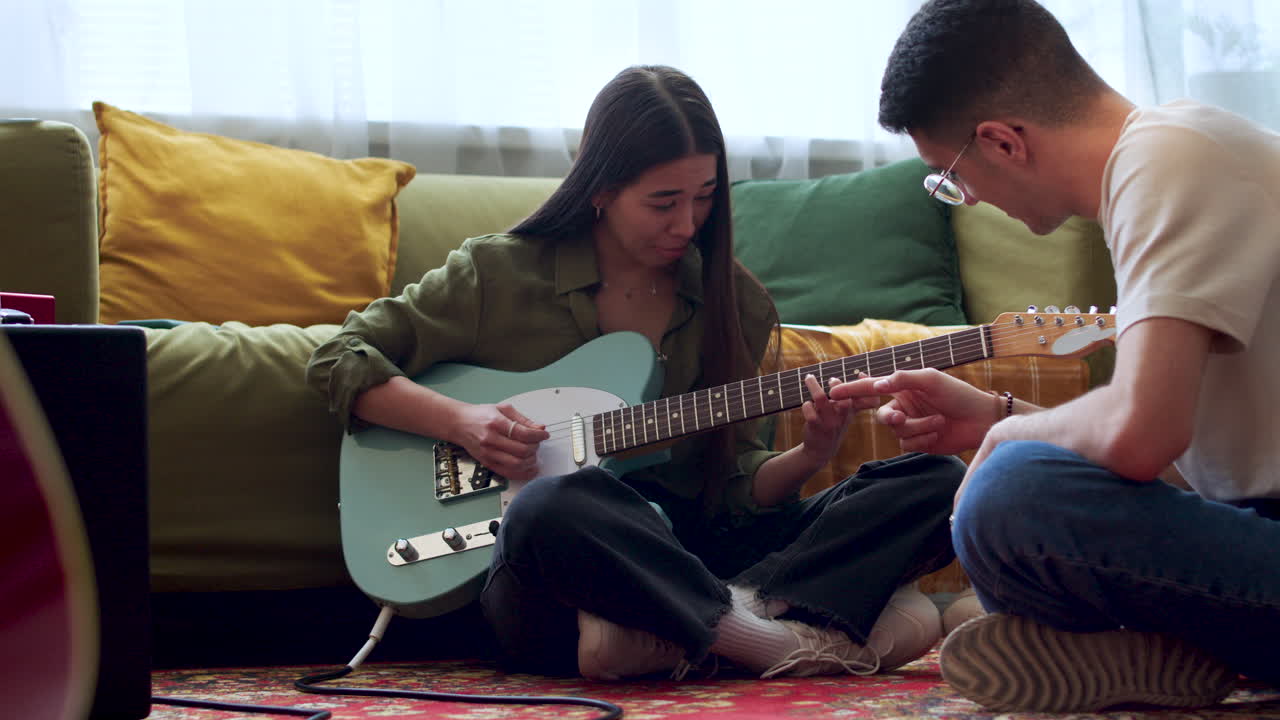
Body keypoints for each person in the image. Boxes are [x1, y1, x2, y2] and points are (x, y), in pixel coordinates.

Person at [307, 64, 965, 681]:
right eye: (662, 203)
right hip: (561, 578)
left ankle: (701, 633)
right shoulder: (499, 274)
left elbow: (736, 491)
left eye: (704, 198)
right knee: (549, 505)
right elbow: (339, 357)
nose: (687, 224)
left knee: (938, 483)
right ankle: (778, 630)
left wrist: (808, 453)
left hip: (699, 556)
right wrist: (465, 422)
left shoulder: (735, 302)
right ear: (600, 187)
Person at [832, 0, 1280, 712]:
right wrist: (997, 415)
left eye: (951, 177)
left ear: (1003, 141)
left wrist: (1007, 437)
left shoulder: (1166, 161)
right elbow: (1186, 467)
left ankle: (1165, 647)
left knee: (1008, 494)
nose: (966, 199)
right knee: (1012, 482)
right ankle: (1159, 653)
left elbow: (1141, 436)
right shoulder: (1172, 155)